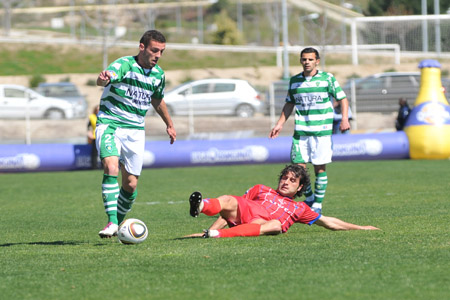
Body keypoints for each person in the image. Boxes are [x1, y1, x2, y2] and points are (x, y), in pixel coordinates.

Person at [96, 29, 177, 238]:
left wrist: (169, 124)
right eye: (154, 50)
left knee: (130, 185)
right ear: (142, 47)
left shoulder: (158, 75)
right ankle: (112, 222)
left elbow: (157, 100)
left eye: (162, 52)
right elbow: (106, 78)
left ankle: (119, 223)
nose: (158, 55)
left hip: (135, 130)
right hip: (110, 123)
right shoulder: (124, 64)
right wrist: (104, 79)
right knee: (111, 166)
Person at [185, 164, 379, 238]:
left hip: (263, 222)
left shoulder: (299, 208)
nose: (286, 182)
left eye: (292, 180)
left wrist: (361, 228)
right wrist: (207, 230)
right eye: (284, 178)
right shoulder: (260, 189)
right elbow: (228, 212)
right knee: (228, 199)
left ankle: (217, 235)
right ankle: (202, 206)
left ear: (300, 187)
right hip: (249, 210)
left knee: (276, 224)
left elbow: (329, 222)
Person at [269, 47, 350, 214]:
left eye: (310, 59)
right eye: (304, 59)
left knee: (319, 169)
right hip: (301, 132)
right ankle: (310, 197)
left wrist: (344, 119)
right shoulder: (294, 81)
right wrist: (279, 124)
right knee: (298, 169)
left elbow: (342, 99)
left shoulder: (328, 79)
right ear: (300, 61)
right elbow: (289, 104)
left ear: (317, 61)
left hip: (321, 132)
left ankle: (317, 205)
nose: (307, 62)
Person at [87, 105, 100, 169]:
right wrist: (89, 133)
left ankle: (103, 166)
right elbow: (89, 126)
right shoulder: (92, 117)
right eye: (97, 109)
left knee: (103, 152)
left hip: (102, 136)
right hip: (95, 136)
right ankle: (94, 166)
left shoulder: (103, 116)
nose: (98, 111)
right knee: (94, 153)